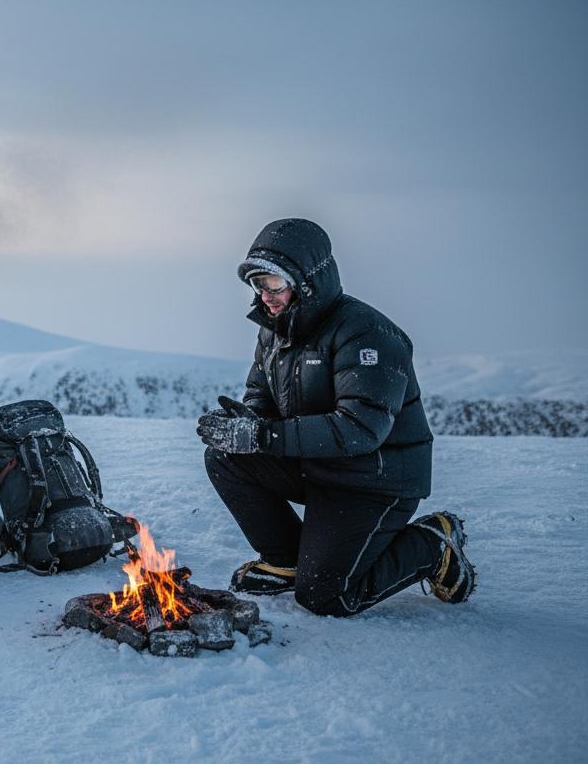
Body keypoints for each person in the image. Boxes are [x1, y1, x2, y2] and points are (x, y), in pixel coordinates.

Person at [197, 218, 475, 616]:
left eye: (274, 285)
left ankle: (433, 544)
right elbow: (262, 394)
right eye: (259, 285)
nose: (265, 296)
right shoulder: (275, 329)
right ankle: (286, 559)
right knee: (227, 457)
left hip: (373, 481)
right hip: (319, 466)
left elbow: (360, 428)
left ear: (307, 280)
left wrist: (264, 437)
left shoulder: (367, 334)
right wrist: (246, 426)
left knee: (327, 597)